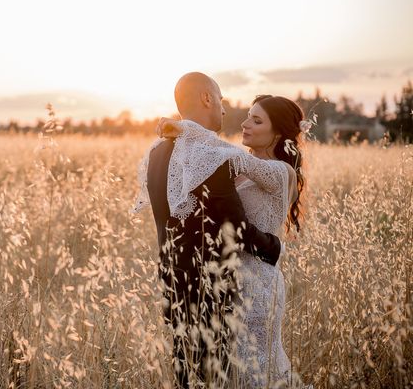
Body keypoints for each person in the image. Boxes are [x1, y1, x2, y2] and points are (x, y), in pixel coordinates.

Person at [133, 72, 283, 388]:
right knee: (216, 379)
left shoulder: (157, 152)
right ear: (206, 98)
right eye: (220, 99)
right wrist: (273, 247)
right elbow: (234, 227)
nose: (224, 110)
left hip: (174, 287)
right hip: (209, 293)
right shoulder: (208, 155)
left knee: (189, 378)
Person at [157, 94, 311, 388]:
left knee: (254, 371)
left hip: (258, 284)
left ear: (277, 132)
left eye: (256, 120)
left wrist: (186, 127)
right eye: (248, 116)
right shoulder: (243, 169)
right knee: (234, 373)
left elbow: (227, 154)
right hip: (229, 282)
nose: (245, 123)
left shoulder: (282, 173)